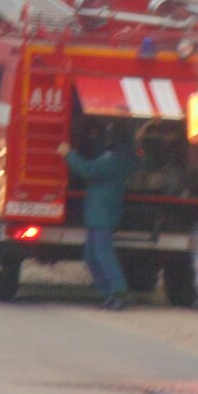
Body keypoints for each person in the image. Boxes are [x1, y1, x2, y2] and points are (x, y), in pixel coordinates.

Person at [56, 123, 137, 310]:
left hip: (102, 213)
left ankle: (119, 292)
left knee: (101, 253)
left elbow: (89, 170)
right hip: (100, 212)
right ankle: (108, 294)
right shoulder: (120, 156)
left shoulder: (114, 158)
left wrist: (69, 154)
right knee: (92, 255)